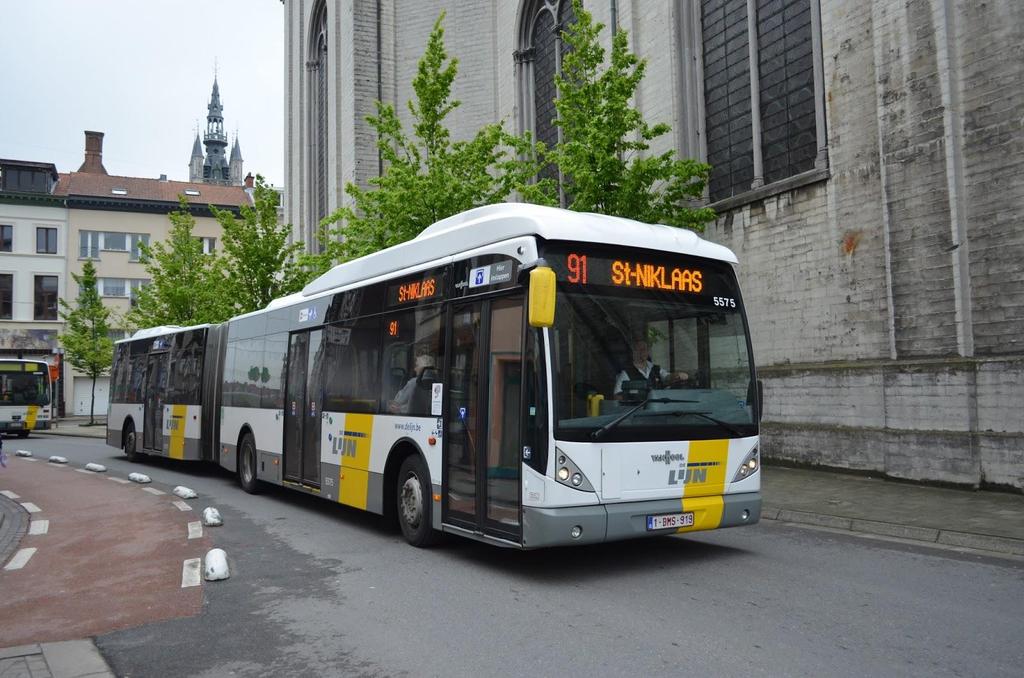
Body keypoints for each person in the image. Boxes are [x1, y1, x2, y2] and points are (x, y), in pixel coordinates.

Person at [613, 338, 688, 398]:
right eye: (639, 350)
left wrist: (677, 375)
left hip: (658, 410)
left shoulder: (655, 369)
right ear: (633, 352)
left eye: (645, 349)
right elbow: (617, 395)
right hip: (637, 412)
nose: (643, 352)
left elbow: (667, 377)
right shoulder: (626, 373)